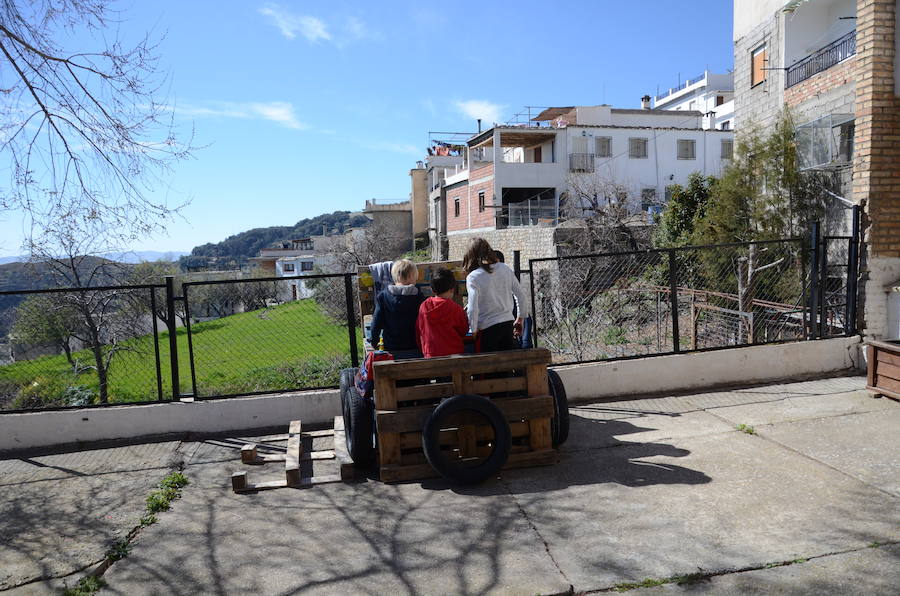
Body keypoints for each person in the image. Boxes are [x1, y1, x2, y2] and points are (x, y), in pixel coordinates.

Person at [463, 238, 529, 352]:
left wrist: (472, 331)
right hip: (508, 324)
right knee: (508, 364)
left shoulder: (473, 277)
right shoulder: (504, 268)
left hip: (487, 329)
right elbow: (521, 295)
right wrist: (520, 318)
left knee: (492, 367)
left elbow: (473, 308)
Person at [369, 259, 424, 359]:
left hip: (391, 347)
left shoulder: (383, 296)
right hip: (414, 346)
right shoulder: (418, 297)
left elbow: (376, 322)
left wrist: (373, 341)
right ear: (411, 276)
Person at [416, 268, 469, 358]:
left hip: (430, 355)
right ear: (452, 289)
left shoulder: (423, 307)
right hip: (455, 355)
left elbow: (419, 330)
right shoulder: (456, 309)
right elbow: (464, 330)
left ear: (432, 290)